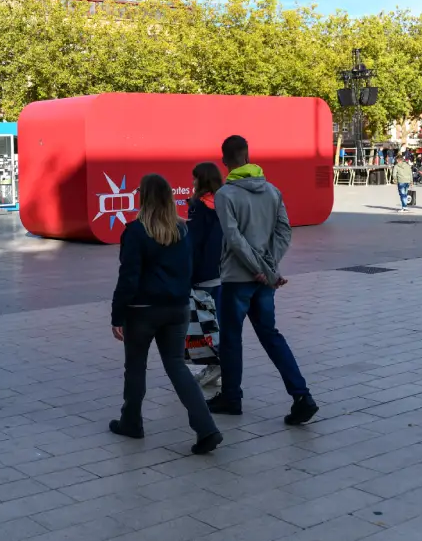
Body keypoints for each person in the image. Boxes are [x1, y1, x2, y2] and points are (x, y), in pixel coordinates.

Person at [207, 135, 318, 425]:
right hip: (264, 281)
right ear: (248, 155)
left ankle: (232, 397)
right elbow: (284, 233)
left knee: (231, 339)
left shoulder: (224, 195)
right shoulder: (272, 191)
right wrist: (267, 269)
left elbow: (233, 239)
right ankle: (301, 395)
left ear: (225, 160)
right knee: (270, 334)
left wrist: (257, 267)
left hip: (235, 279)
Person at [109, 173, 223, 453]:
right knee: (176, 366)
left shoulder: (135, 231)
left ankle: (132, 422)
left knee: (135, 367)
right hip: (177, 309)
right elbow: (189, 269)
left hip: (142, 311)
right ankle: (206, 427)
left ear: (144, 198)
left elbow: (128, 278)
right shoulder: (183, 230)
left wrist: (117, 315)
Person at [187, 162, 225, 388]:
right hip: (223, 272)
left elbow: (194, 243)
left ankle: (214, 364)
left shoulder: (198, 206)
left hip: (202, 274)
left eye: (195, 178)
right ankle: (220, 365)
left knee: (203, 323)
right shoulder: (224, 202)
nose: (192, 183)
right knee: (217, 321)